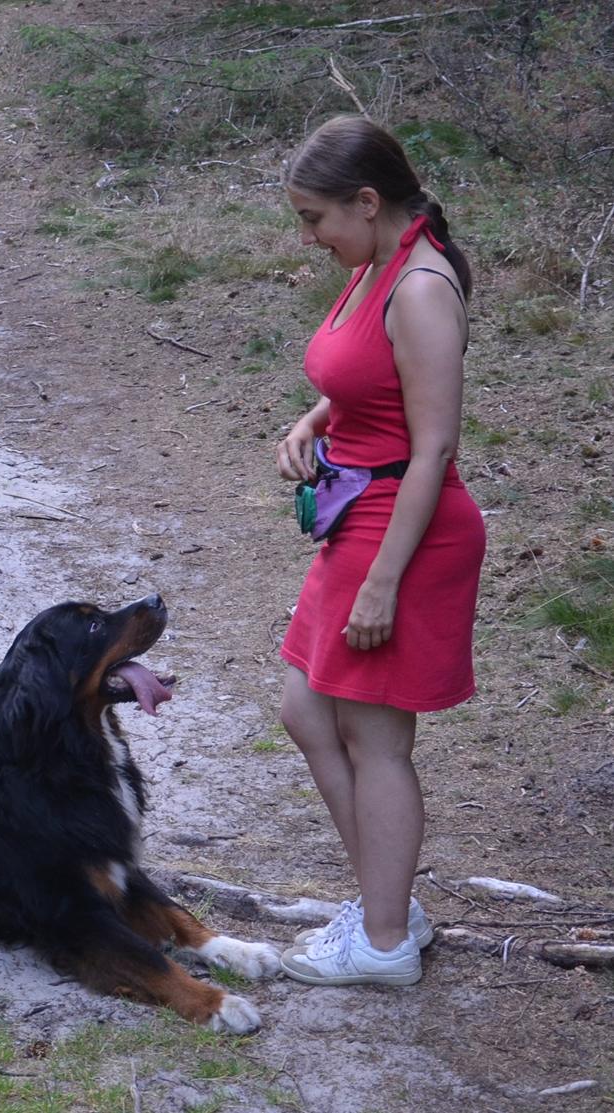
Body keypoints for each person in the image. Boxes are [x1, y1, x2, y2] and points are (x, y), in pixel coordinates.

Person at [273, 115, 486, 986]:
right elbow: (367, 376)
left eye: (315, 218)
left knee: (373, 736)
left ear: (367, 201)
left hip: (405, 530)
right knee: (306, 710)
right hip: (359, 514)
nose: (309, 237)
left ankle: (387, 940)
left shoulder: (422, 286)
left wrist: (383, 584)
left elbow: (433, 447)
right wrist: (314, 420)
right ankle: (385, 901)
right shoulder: (376, 264)